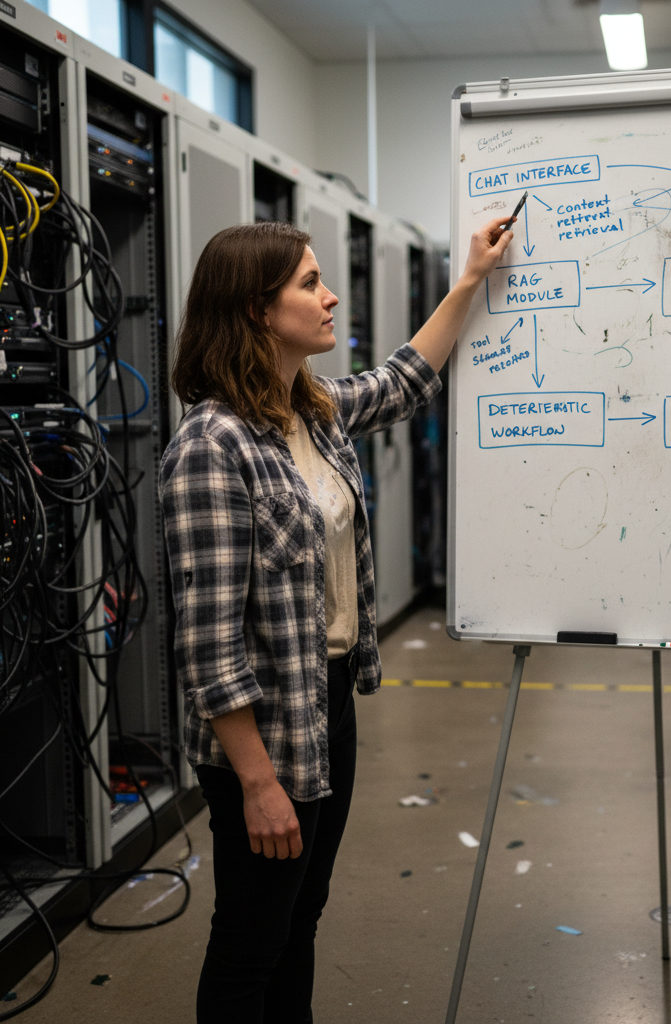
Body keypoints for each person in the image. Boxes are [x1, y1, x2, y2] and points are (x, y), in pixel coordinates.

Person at [159, 214, 512, 1022]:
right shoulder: (212, 446)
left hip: (328, 704)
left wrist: (469, 280)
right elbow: (208, 646)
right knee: (251, 937)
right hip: (263, 731)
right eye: (309, 284)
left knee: (299, 917)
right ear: (256, 309)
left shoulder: (309, 413)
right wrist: (256, 782)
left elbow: (403, 379)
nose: (329, 299)